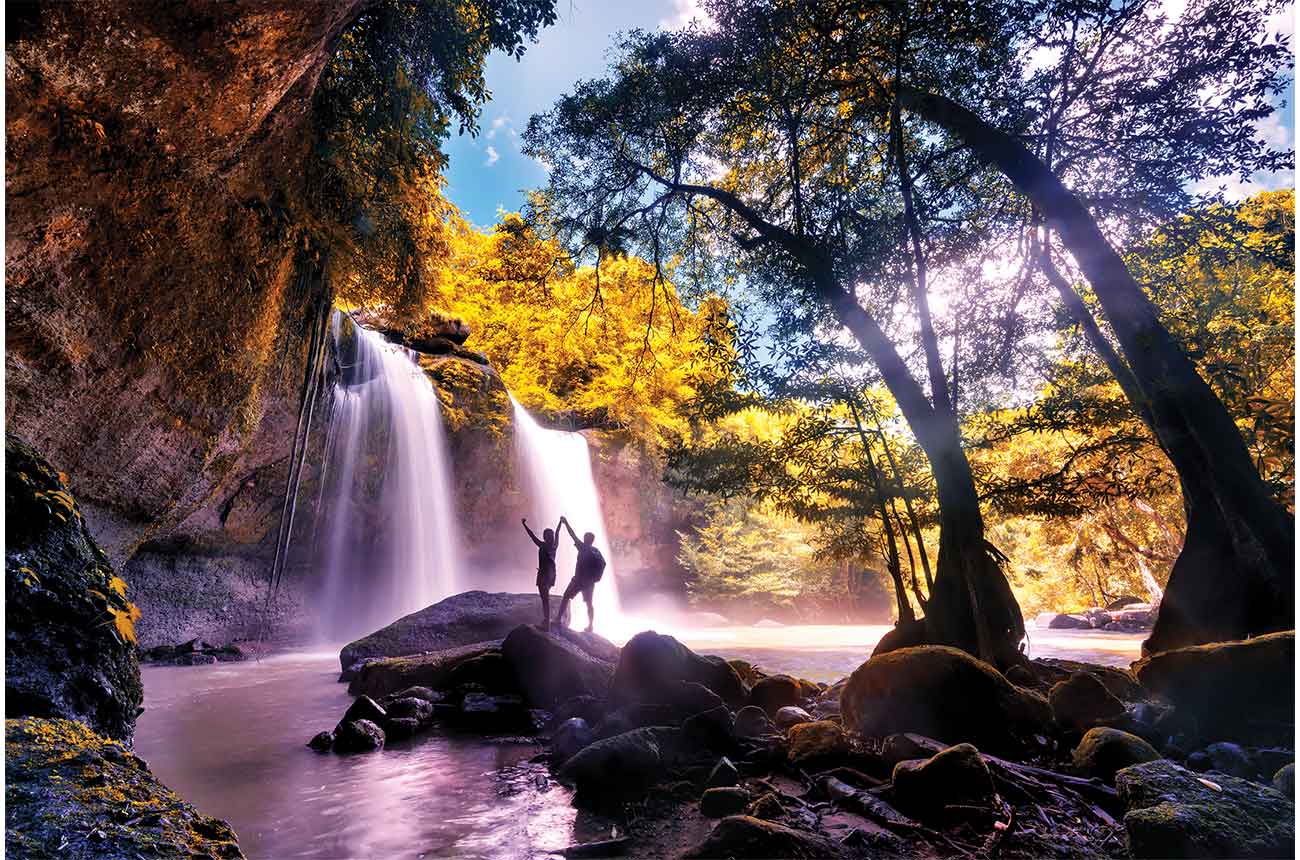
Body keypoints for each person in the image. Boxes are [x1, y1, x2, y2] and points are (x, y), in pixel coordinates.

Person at [553, 515, 606, 633]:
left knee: (566, 597)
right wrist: (595, 578)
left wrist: (565, 523)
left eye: (585, 538)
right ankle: (590, 626)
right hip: (589, 582)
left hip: (578, 580)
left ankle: (558, 619)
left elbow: (572, 534)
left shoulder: (583, 547)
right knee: (589, 604)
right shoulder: (596, 551)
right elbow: (603, 563)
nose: (583, 539)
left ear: (587, 539)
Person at [521, 517, 561, 630]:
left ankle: (546, 623)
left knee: (545, 599)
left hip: (544, 575)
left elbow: (532, 536)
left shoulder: (543, 545)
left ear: (545, 537)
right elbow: (558, 533)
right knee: (545, 598)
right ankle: (546, 620)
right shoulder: (554, 546)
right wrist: (560, 523)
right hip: (552, 574)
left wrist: (524, 525)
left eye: (546, 535)